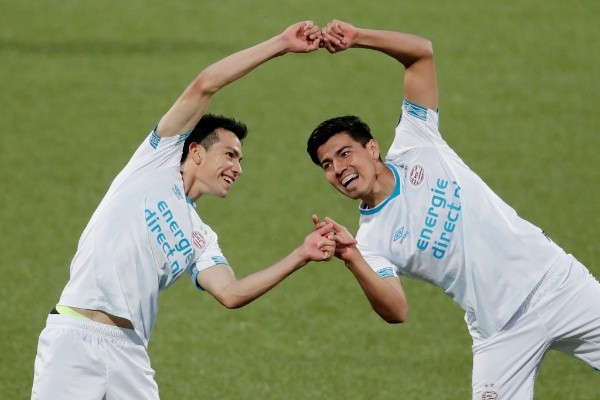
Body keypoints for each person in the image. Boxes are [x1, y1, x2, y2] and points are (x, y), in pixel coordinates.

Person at [31, 21, 335, 400]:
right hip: (75, 339)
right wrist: (280, 44)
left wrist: (301, 255)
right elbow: (206, 84)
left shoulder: (201, 237)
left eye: (240, 160)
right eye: (230, 154)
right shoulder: (155, 161)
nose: (237, 168)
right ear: (195, 151)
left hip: (130, 353)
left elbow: (232, 293)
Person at [308, 20, 600, 399]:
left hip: (558, 285)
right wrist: (351, 258)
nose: (339, 168)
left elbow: (421, 55)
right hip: (499, 332)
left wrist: (359, 38)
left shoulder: (417, 141)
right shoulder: (369, 242)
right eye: (327, 165)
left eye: (345, 153)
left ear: (372, 148)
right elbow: (397, 311)